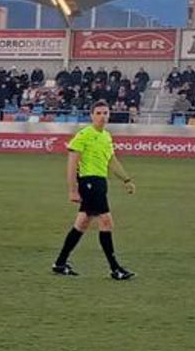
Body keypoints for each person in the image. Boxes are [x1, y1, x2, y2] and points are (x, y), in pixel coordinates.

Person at [52, 99, 136, 280]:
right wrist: (72, 190)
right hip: (89, 183)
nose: (102, 117)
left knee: (82, 223)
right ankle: (115, 269)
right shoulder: (84, 135)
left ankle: (60, 263)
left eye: (105, 113)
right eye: (98, 113)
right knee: (106, 221)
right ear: (91, 115)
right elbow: (72, 163)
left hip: (100, 183)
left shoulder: (106, 136)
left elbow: (111, 161)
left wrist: (126, 179)